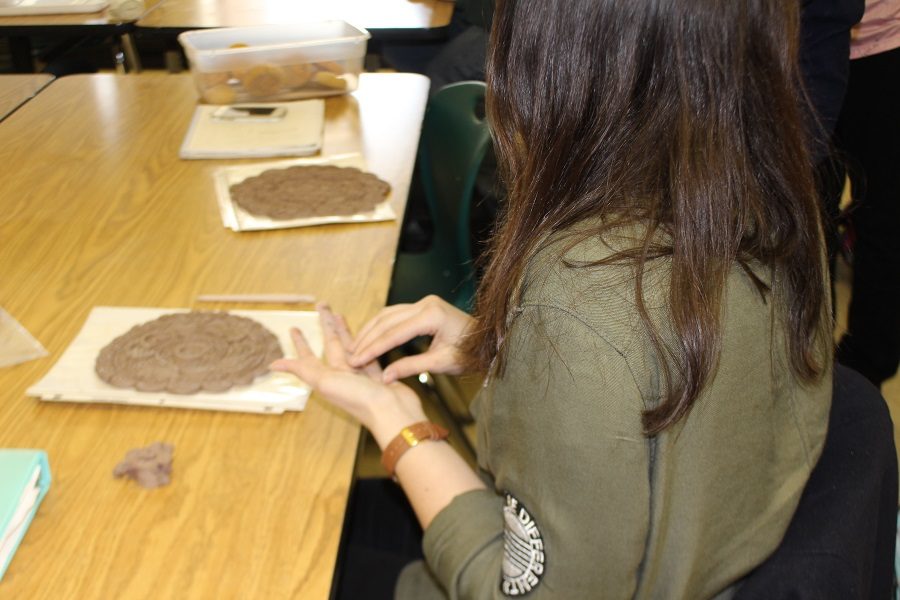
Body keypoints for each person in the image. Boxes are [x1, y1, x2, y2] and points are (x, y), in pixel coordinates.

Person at [271, 0, 833, 597]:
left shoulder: (581, 296)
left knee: (288, 543)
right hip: (704, 554)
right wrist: (511, 351)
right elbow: (656, 391)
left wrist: (396, 419)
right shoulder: (768, 197)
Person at [833, 0, 900, 388]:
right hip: (802, 44)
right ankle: (804, 357)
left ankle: (867, 368)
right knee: (804, 219)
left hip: (883, 46)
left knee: (882, 216)